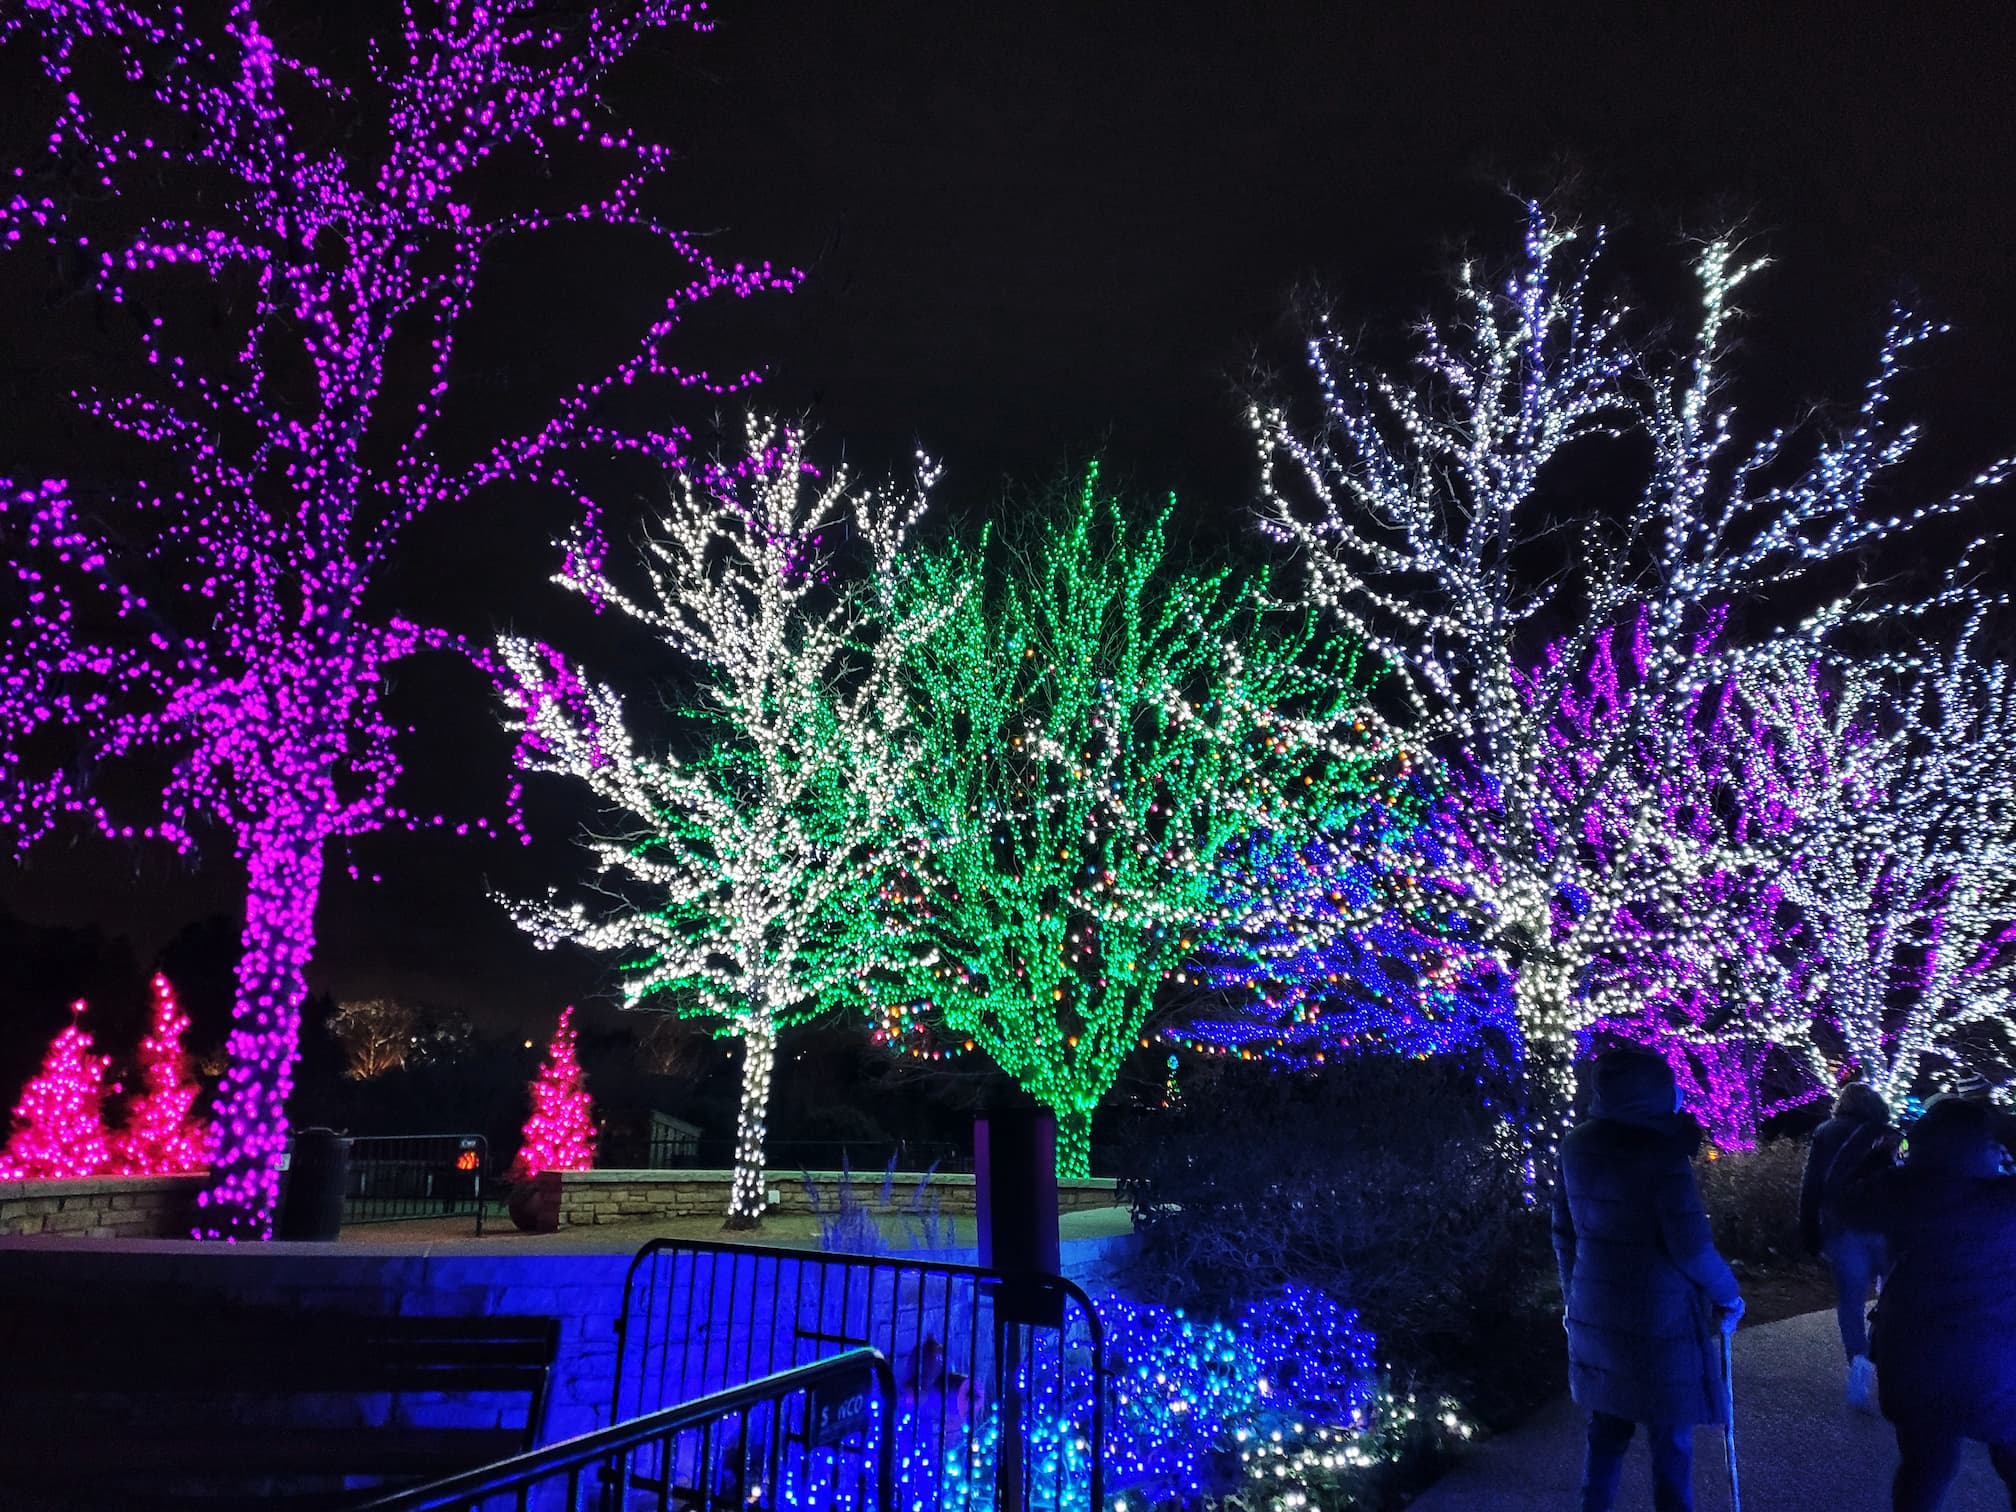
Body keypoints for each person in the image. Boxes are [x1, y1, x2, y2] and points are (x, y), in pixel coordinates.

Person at [1553, 1048, 1744, 1512]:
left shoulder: (1576, 1146)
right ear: (1651, 1091)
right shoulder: (1662, 1154)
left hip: (1598, 1309)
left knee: (1606, 1432)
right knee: (1671, 1441)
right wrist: (1729, 1295)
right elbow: (1691, 1248)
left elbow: (1564, 1232)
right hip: (1662, 1321)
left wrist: (1573, 1296)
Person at [1844, 1095, 2016, 1512]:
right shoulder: (2005, 1201)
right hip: (1992, 1365)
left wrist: (1877, 1153)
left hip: (1911, 1360)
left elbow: (1844, 1198)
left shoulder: (1895, 1193)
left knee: (1925, 1467)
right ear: (1984, 1146)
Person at [1798, 1082, 1893, 1411]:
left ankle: (1859, 1364)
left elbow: (1812, 1183)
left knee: (1850, 1301)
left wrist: (1809, 1231)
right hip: (1886, 1227)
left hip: (1843, 1228)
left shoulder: (1826, 1132)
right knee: (1893, 1296)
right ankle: (1888, 1357)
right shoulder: (1887, 1133)